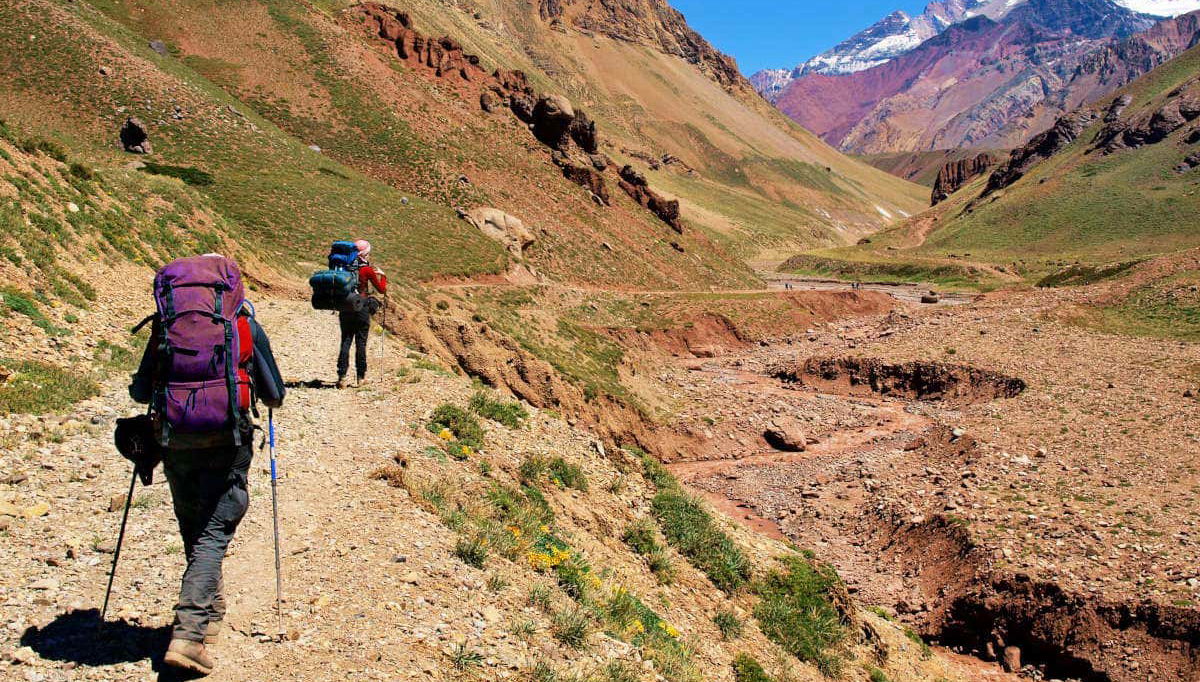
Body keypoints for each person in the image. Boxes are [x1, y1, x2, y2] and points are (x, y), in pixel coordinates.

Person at [129, 255, 285, 676]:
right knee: (216, 529)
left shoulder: (165, 328)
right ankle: (190, 633)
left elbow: (140, 393)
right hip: (228, 438)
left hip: (174, 439)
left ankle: (211, 612)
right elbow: (274, 395)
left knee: (192, 524)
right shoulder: (244, 326)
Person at [336, 239, 388, 388]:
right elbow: (381, 290)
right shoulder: (367, 270)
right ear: (365, 254)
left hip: (345, 306)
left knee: (345, 340)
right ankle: (360, 378)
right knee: (361, 342)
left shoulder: (344, 267)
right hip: (361, 308)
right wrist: (382, 276)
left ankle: (342, 378)